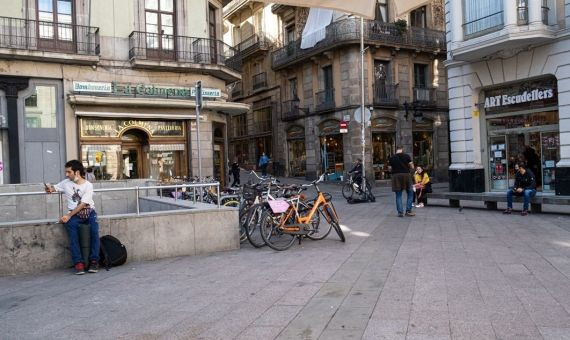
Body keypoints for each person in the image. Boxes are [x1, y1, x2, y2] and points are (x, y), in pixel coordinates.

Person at [46, 160, 100, 275]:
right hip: (74, 214)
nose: (66, 174)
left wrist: (68, 216)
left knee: (94, 232)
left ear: (77, 172)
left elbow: (83, 204)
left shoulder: (88, 185)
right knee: (73, 235)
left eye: (69, 172)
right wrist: (49, 189)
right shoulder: (66, 183)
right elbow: (54, 188)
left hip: (89, 211)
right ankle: (78, 263)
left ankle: (94, 261)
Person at [388, 146, 415, 217]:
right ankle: (408, 211)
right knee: (410, 193)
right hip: (406, 175)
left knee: (398, 195)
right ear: (402, 149)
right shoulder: (407, 156)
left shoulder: (391, 158)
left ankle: (400, 212)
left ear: (396, 150)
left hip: (396, 176)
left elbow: (389, 169)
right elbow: (412, 167)